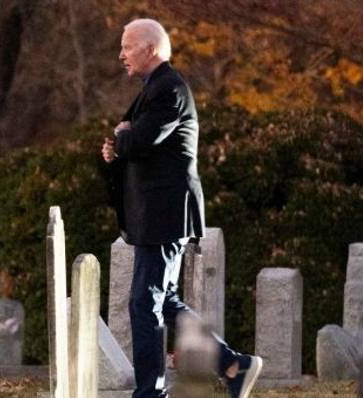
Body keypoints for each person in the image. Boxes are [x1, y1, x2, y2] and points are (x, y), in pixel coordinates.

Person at [101, 18, 263, 398]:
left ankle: (151, 392)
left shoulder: (169, 89)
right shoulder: (151, 90)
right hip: (156, 214)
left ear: (150, 49)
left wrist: (123, 139)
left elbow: (141, 138)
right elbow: (131, 138)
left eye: (127, 46)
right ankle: (235, 365)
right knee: (164, 300)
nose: (121, 54)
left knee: (144, 304)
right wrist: (118, 145)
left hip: (166, 212)